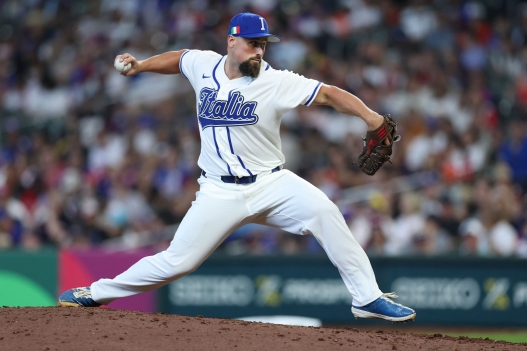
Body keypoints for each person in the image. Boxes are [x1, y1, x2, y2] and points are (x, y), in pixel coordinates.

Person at [58, 12, 416, 322]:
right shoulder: (203, 64)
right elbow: (179, 58)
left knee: (325, 210)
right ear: (232, 41)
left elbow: (327, 93)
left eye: (263, 44)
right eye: (252, 43)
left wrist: (370, 117)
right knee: (177, 262)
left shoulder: (275, 81)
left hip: (271, 184)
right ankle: (96, 292)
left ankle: (367, 298)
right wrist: (142, 64)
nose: (259, 51)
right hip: (219, 191)